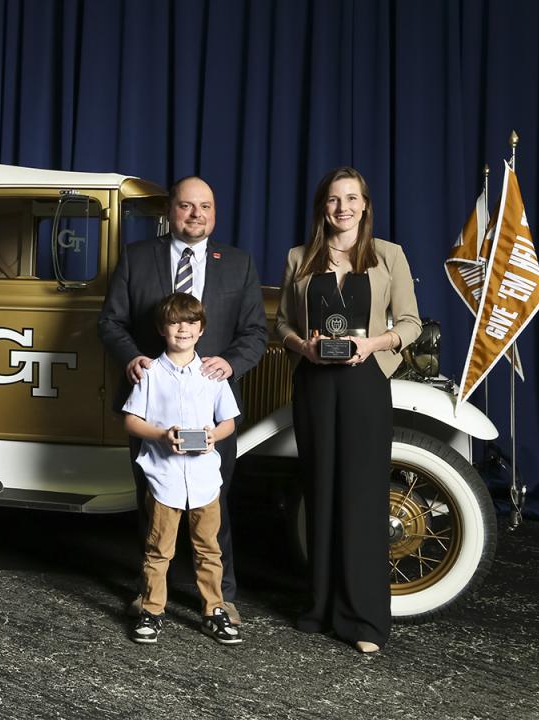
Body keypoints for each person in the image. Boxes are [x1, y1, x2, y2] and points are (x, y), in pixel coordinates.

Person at [98, 176, 267, 625]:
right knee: (153, 503)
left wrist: (229, 364)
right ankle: (151, 596)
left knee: (216, 502)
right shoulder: (137, 258)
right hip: (151, 407)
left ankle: (218, 598)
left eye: (205, 207)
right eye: (187, 206)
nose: (196, 215)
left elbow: (255, 332)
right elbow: (110, 323)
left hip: (209, 408)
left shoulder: (238, 264)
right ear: (170, 211)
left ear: (215, 212)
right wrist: (131, 357)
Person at [274, 166, 421, 654]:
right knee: (319, 492)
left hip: (364, 383)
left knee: (360, 495)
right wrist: (305, 346)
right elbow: (281, 326)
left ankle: (364, 620)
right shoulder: (299, 257)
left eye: (352, 198)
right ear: (324, 206)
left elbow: (410, 324)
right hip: (315, 382)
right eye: (335, 199)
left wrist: (373, 344)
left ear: (365, 204)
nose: (344, 207)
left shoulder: (389, 256)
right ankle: (320, 606)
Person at [124, 292, 243, 646]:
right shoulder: (150, 373)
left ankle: (213, 612)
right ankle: (152, 610)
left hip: (205, 478)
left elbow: (228, 423)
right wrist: (162, 434)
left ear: (201, 328)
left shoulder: (212, 374)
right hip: (165, 478)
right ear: (163, 328)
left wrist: (212, 436)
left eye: (191, 322)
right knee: (159, 548)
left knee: (208, 548)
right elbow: (131, 422)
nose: (183, 329)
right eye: (175, 322)